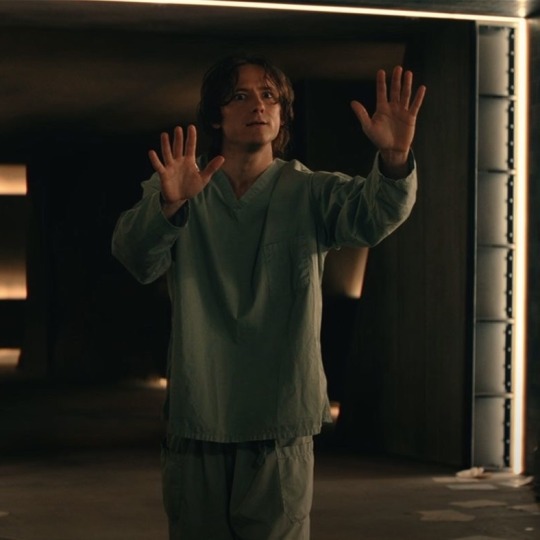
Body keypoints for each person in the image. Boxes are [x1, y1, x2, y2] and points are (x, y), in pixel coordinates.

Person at [112, 54, 426, 540]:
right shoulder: (184, 186)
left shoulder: (309, 191)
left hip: (279, 420)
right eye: (240, 96)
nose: (258, 105)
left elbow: (374, 215)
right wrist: (169, 205)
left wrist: (394, 159)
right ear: (216, 116)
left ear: (282, 114)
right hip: (201, 415)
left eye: (269, 96)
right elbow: (135, 255)